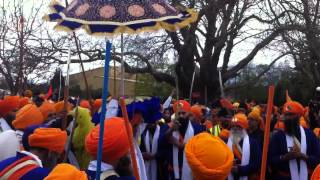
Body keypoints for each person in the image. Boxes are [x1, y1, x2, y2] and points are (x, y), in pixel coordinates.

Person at [269, 101, 320, 180]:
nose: (288, 118)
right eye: (286, 115)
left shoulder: (310, 135)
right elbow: (271, 160)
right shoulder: (277, 136)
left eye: (291, 115)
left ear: (299, 116)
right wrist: (284, 157)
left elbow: (317, 159)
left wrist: (303, 156)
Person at [158, 100, 204, 180]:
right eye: (179, 113)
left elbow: (202, 147)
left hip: (191, 172)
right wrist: (171, 130)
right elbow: (160, 144)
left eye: (183, 113)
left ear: (189, 114)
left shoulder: (197, 128)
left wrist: (182, 145)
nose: (181, 116)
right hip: (172, 172)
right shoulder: (167, 127)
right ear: (175, 114)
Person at [0, 128, 67, 179]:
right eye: (57, 155)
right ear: (50, 153)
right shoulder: (43, 176)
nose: (57, 161)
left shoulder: (7, 161)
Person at [227, 113, 261, 180]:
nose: (235, 129)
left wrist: (240, 169)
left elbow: (257, 163)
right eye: (233, 126)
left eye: (238, 126)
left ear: (244, 128)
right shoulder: (226, 143)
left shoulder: (253, 143)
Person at [140, 111, 162, 180]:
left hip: (159, 166)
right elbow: (139, 148)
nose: (152, 124)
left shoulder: (162, 131)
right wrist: (143, 154)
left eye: (153, 122)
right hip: (146, 163)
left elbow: (165, 149)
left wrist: (155, 155)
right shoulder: (142, 132)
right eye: (150, 122)